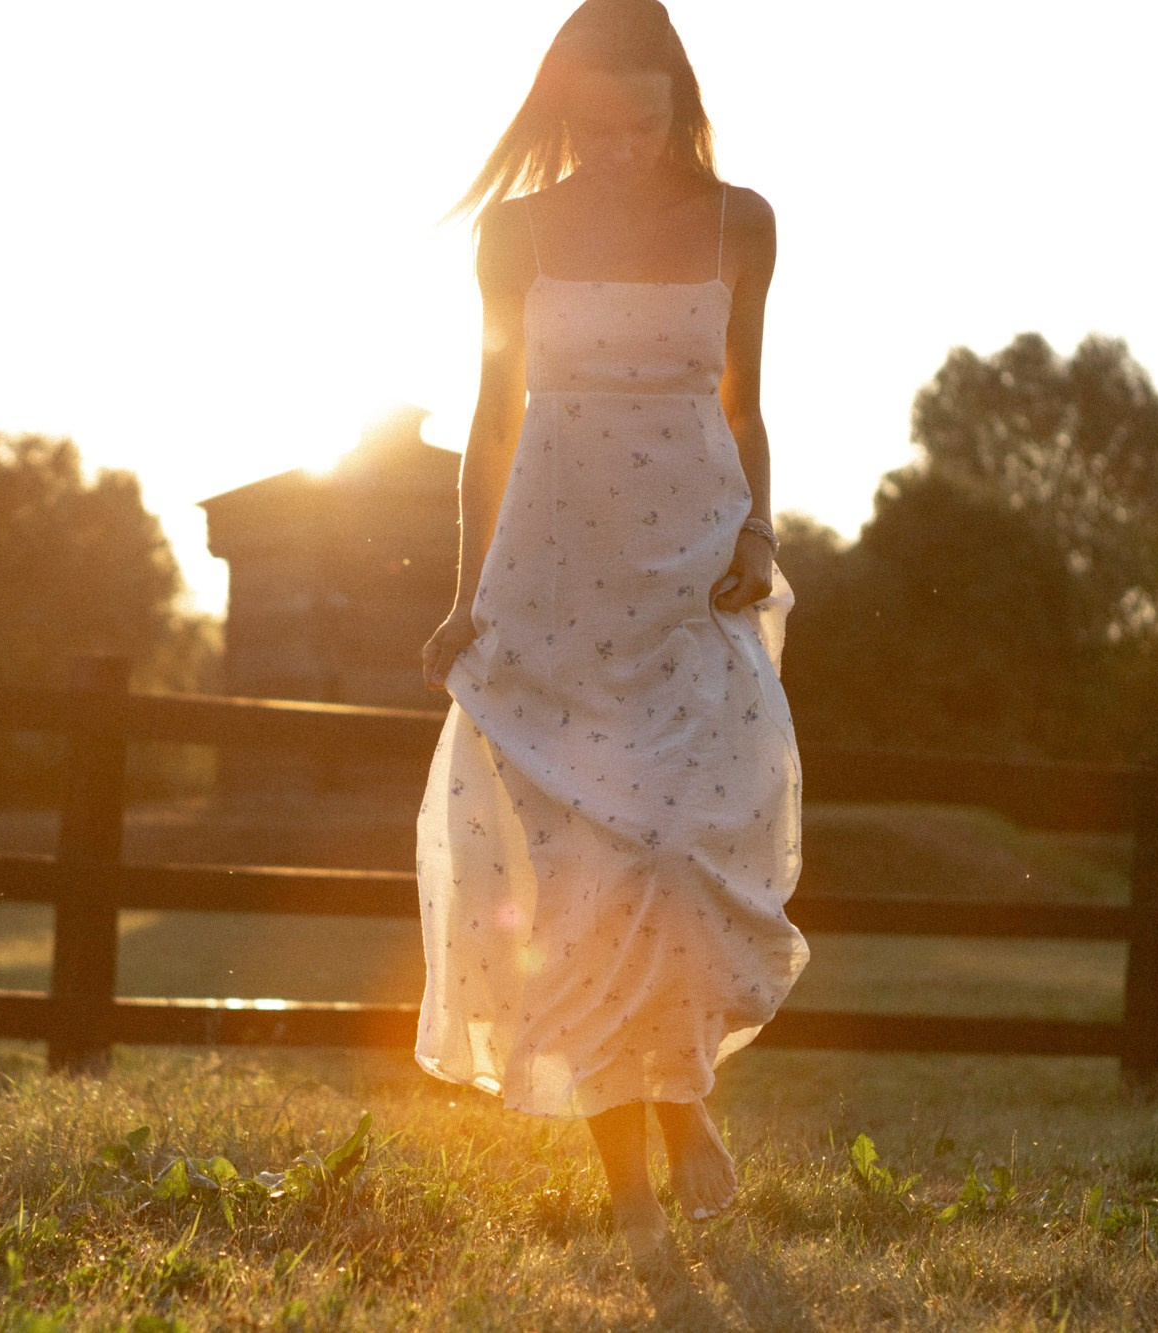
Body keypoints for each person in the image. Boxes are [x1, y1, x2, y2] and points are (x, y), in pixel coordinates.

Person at [415, 0, 809, 1276]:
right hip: (552, 568)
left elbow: (746, 400)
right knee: (582, 879)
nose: (611, 149)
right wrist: (469, 592)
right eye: (584, 128)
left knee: (684, 849)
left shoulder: (741, 219)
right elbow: (490, 421)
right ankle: (629, 1180)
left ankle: (683, 1106)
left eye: (632, 124)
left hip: (690, 563)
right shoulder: (515, 231)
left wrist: (758, 532)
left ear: (675, 99)